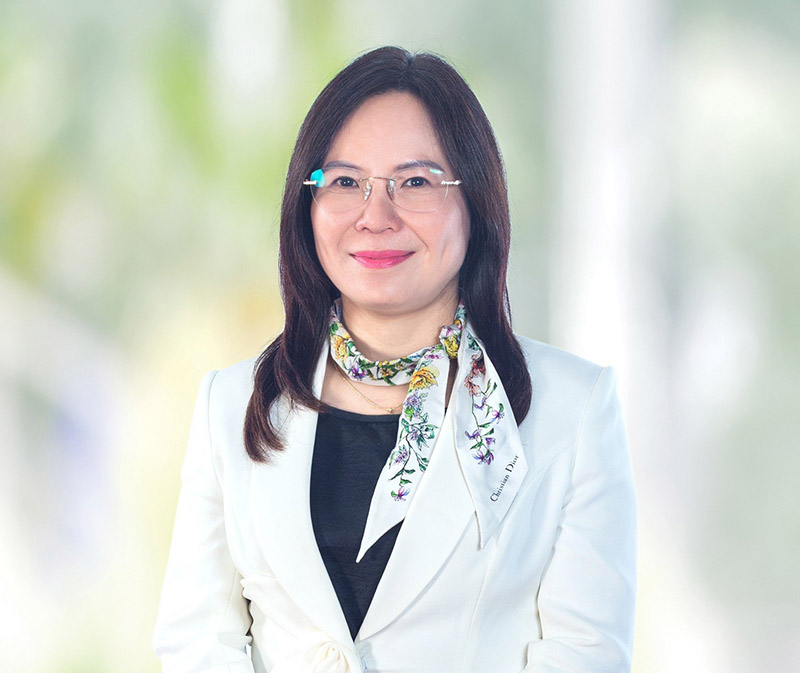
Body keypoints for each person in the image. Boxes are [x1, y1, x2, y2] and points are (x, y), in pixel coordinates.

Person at [153, 46, 637, 673]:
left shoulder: (574, 410)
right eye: (344, 182)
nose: (374, 217)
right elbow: (197, 645)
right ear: (307, 204)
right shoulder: (231, 405)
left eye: (415, 182)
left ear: (476, 202)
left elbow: (584, 657)